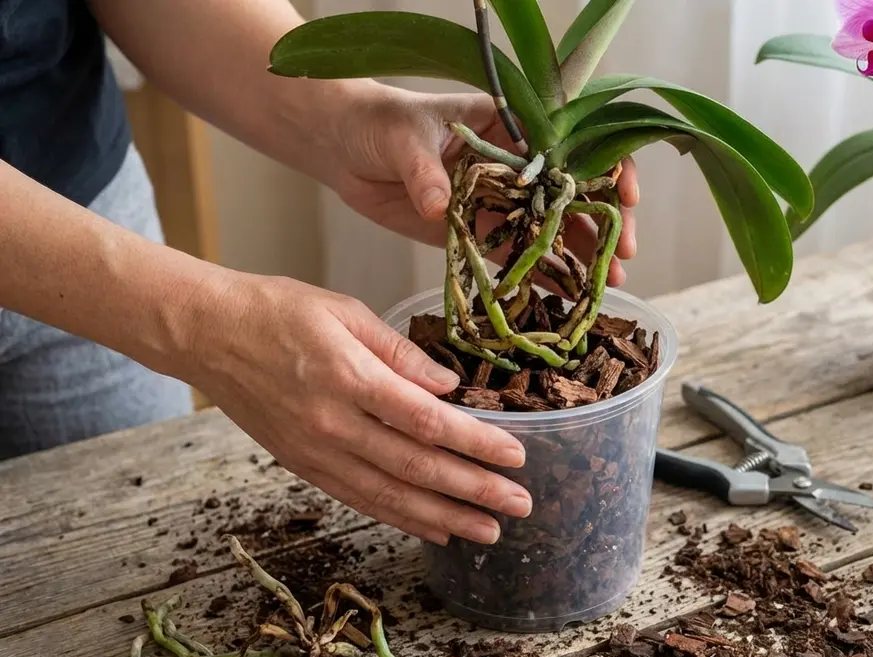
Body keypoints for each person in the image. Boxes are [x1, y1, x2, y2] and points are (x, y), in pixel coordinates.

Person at [0, 1, 639, 547]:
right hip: (111, 272)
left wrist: (344, 117)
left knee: (119, 535)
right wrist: (201, 323)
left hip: (80, 194)